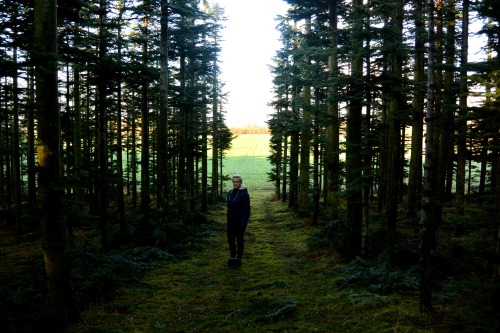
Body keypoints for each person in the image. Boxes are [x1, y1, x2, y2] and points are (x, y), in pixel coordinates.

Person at [226, 174, 251, 268]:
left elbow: (246, 211)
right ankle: (232, 258)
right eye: (234, 182)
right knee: (231, 241)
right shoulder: (229, 193)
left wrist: (242, 224)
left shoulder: (244, 195)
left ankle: (239, 259)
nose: (235, 183)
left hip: (240, 223)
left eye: (237, 182)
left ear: (241, 183)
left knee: (239, 241)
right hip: (230, 222)